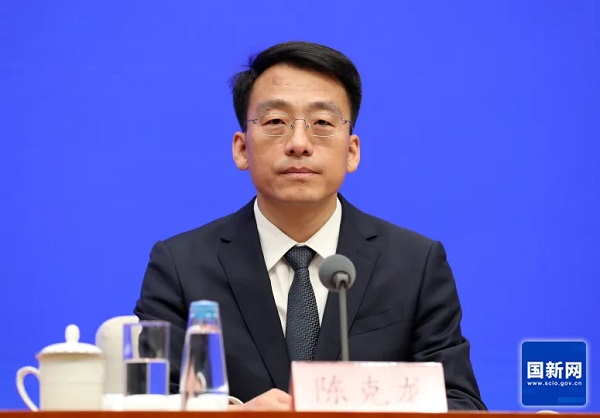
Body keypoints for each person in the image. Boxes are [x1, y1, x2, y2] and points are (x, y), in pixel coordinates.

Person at [134, 41, 486, 411]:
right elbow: (146, 404)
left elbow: (460, 403)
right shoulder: (180, 266)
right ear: (241, 148)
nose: (299, 143)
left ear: (352, 151)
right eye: (275, 122)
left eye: (322, 123)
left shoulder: (415, 264)